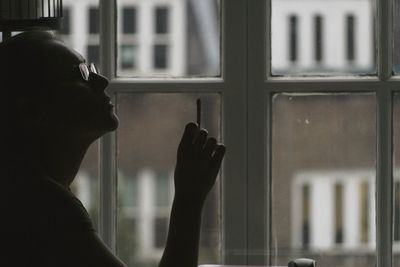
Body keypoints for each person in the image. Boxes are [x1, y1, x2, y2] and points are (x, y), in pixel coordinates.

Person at [0, 31, 225, 267]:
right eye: (81, 75)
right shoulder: (44, 206)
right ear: (33, 112)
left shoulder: (24, 189)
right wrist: (189, 198)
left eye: (90, 69)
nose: (102, 81)